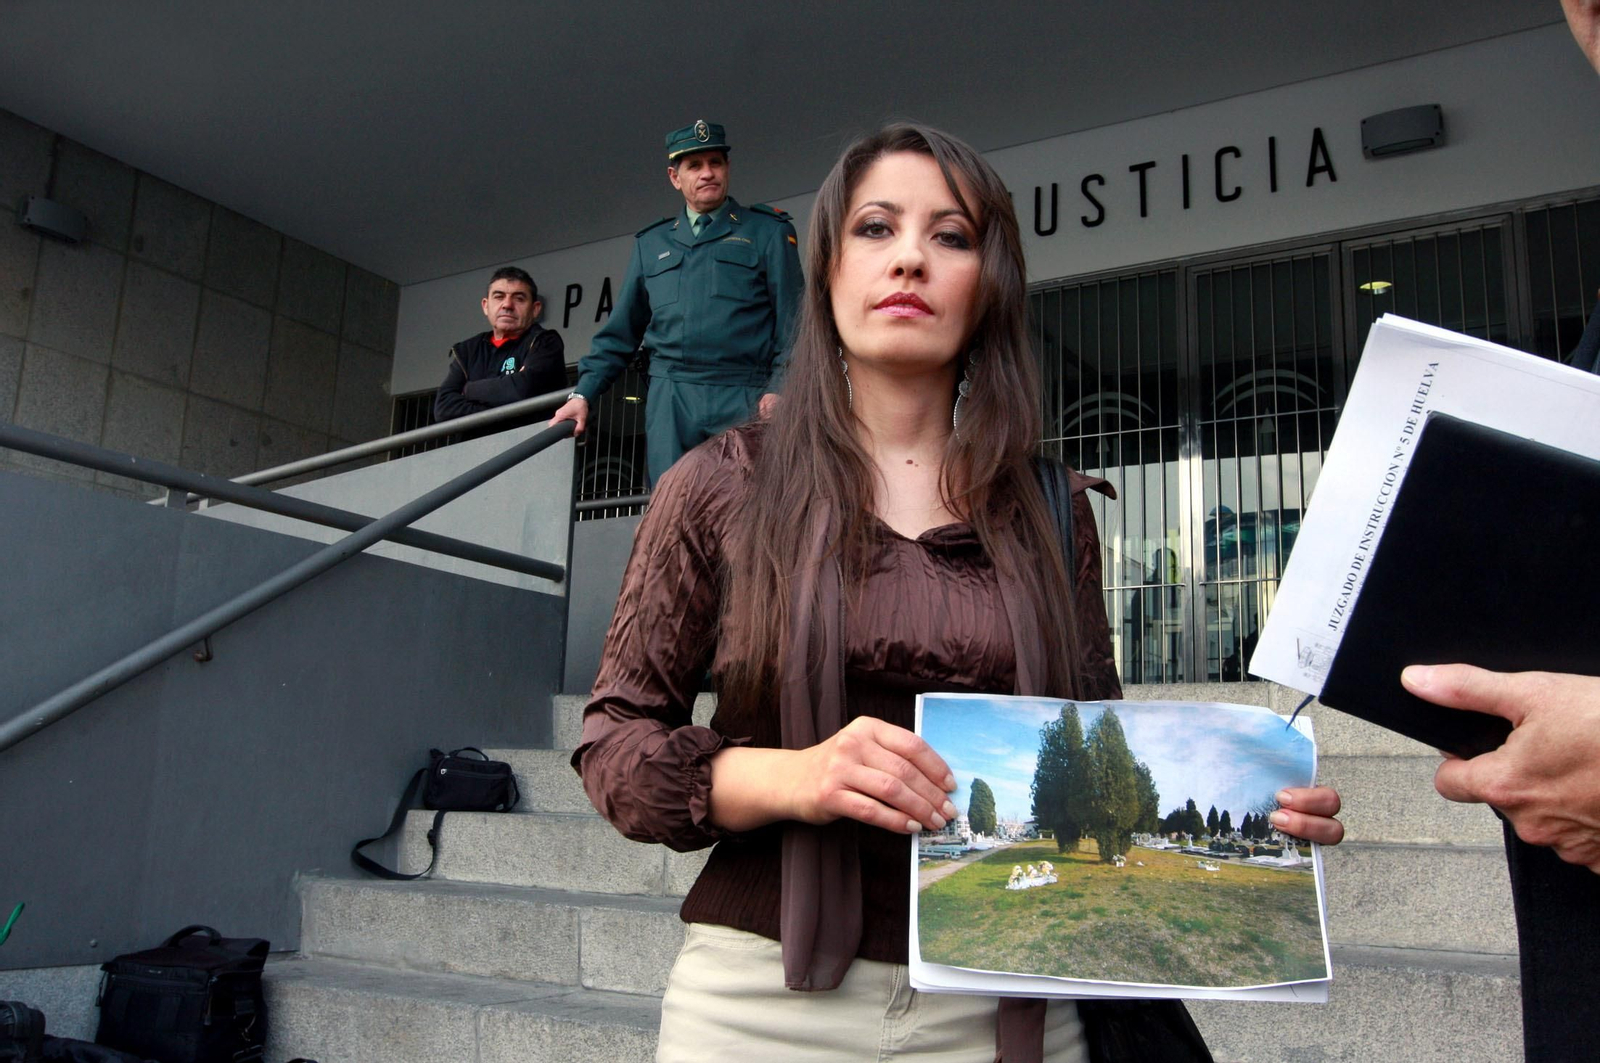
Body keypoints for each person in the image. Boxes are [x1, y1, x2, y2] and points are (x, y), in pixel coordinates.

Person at [572, 123, 1344, 1062]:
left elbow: (1096, 738)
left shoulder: (1056, 512)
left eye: (950, 235)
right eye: (875, 228)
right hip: (756, 1005)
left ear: (990, 285)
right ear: (826, 270)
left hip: (1016, 1011)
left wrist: (1242, 801)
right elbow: (615, 744)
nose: (909, 258)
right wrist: (796, 774)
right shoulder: (717, 482)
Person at [548, 120, 804, 485]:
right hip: (672, 397)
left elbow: (794, 322)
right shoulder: (650, 244)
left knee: (749, 514)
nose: (707, 173)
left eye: (715, 163)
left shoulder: (768, 232)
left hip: (745, 393)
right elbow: (619, 334)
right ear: (675, 177)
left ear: (727, 169)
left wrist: (781, 385)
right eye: (694, 166)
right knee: (672, 508)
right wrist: (583, 393)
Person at [433, 266, 566, 424]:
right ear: (485, 306)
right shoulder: (467, 350)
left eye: (519, 298)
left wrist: (468, 389)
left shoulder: (544, 342)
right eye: (499, 297)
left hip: (530, 445)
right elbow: (443, 409)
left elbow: (523, 389)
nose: (507, 305)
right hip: (475, 447)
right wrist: (505, 404)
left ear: (535, 309)